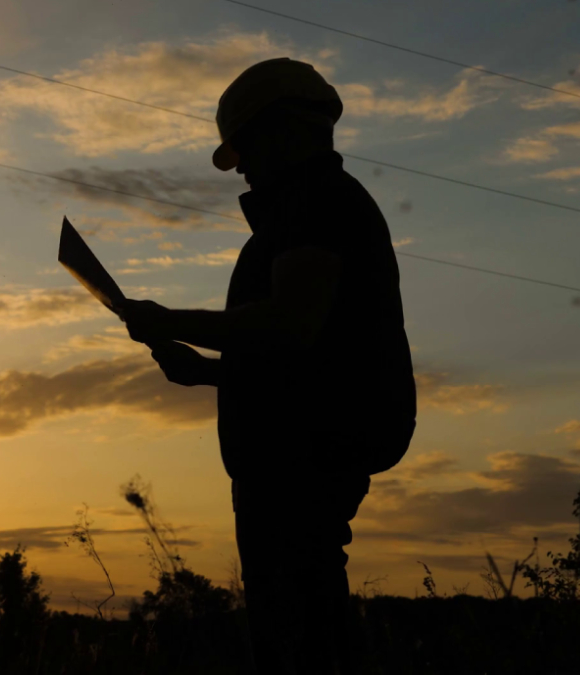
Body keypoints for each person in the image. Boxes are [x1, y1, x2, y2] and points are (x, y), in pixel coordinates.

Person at [116, 58, 416, 674]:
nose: (243, 167)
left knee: (297, 633)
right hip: (296, 451)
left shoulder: (315, 204)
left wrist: (168, 320)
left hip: (301, 459)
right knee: (307, 622)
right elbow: (308, 358)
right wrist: (207, 373)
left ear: (281, 131)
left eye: (244, 148)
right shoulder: (306, 210)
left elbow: (289, 325)